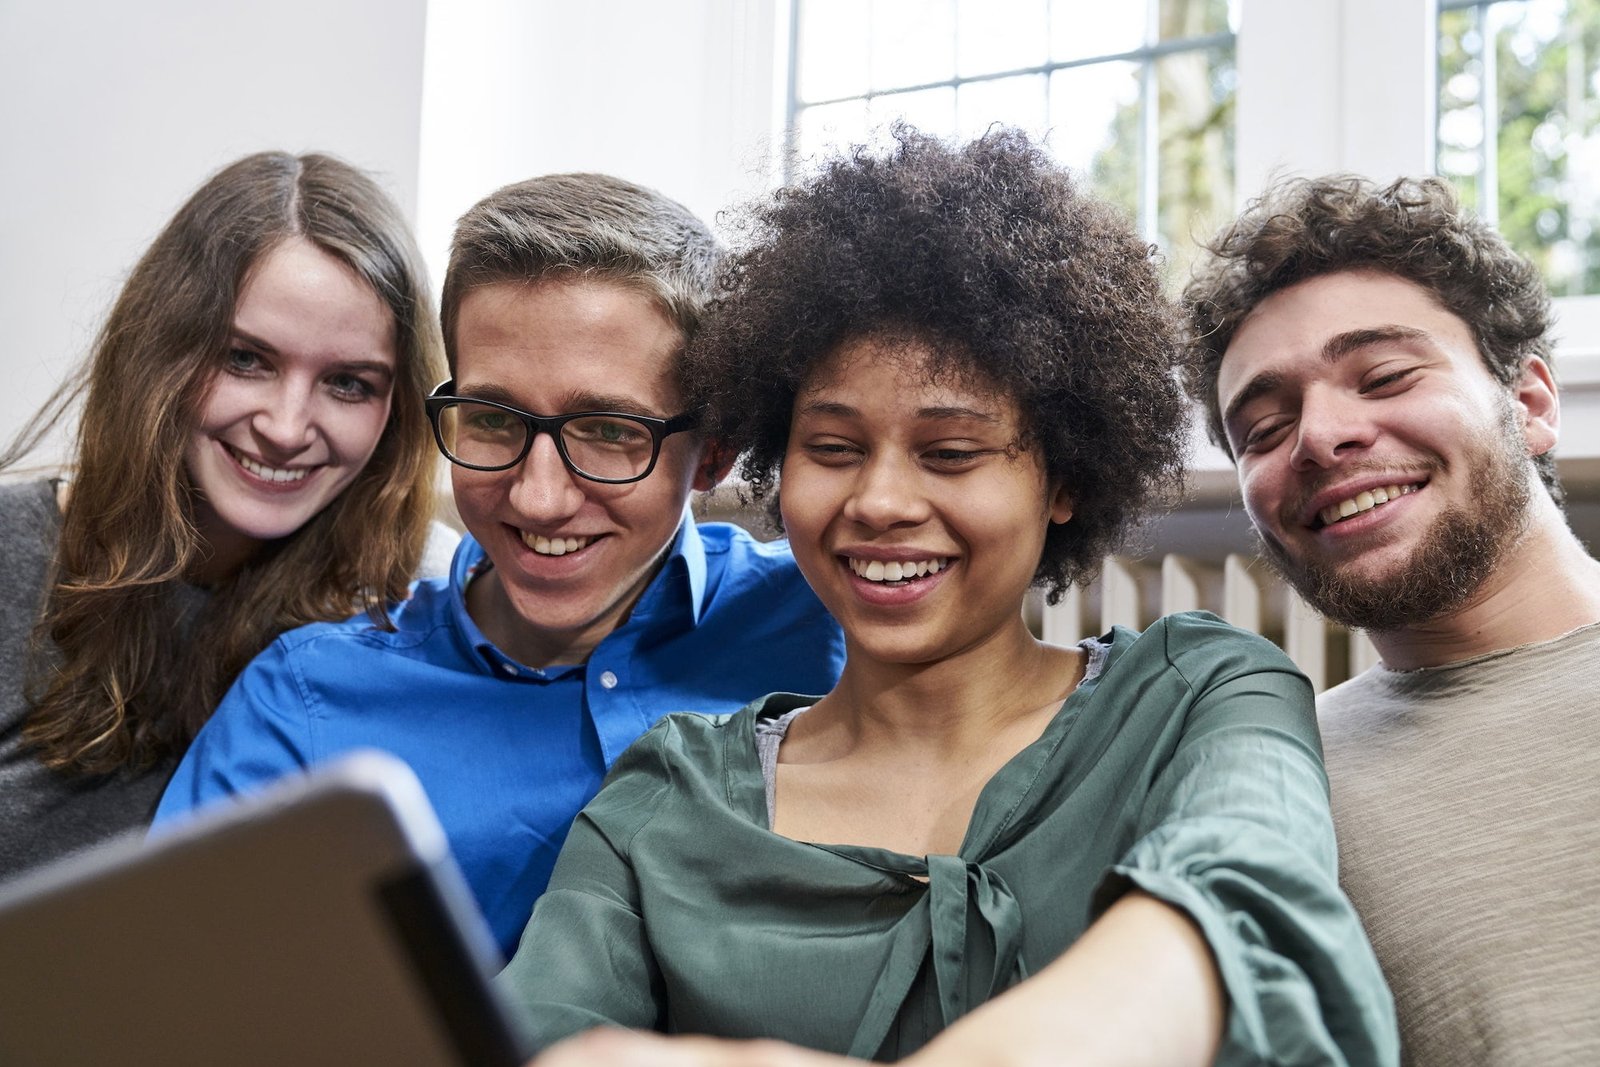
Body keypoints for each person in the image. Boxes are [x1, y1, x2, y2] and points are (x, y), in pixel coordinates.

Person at [500, 129, 1396, 1066]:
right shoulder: (667, 800)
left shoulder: (1199, 696)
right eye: (834, 449)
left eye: (952, 452)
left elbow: (1237, 915)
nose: (879, 501)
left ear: (1063, 480)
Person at [154, 172, 846, 958]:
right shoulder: (304, 705)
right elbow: (163, 994)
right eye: (491, 419)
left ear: (713, 449)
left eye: (609, 430)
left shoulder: (835, 622)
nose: (541, 498)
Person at [1182, 174, 1600, 1063]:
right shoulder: (1277, 786)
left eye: (1384, 375)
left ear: (1529, 402)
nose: (1319, 436)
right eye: (1262, 426)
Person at [0, 151, 448, 881]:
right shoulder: (13, 552)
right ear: (160, 350)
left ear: (395, 410)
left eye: (347, 383)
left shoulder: (421, 592)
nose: (286, 424)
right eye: (245, 359)